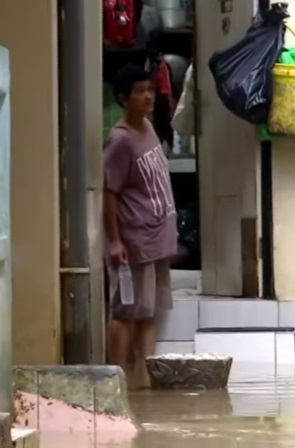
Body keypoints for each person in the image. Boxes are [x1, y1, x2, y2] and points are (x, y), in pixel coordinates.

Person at [103, 64, 177, 387]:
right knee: (125, 313)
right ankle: (114, 384)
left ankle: (144, 383)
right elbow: (109, 193)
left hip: (156, 241)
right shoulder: (119, 141)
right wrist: (115, 241)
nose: (148, 96)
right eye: (140, 91)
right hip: (133, 243)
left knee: (147, 313)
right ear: (123, 99)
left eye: (150, 89)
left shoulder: (147, 127)